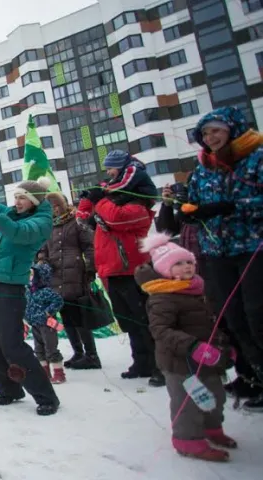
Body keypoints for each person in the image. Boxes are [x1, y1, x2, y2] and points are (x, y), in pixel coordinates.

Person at [0, 179, 60, 416]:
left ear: (35, 200)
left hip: (10, 285)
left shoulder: (41, 222)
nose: (17, 202)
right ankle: (9, 389)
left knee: (11, 344)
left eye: (23, 198)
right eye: (16, 197)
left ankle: (46, 396)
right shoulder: (14, 212)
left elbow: (17, 233)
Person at [186, 106, 263, 411]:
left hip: (253, 248)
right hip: (217, 251)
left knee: (257, 315)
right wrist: (186, 208)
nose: (210, 137)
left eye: (216, 130)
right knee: (232, 319)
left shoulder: (255, 158)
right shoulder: (204, 167)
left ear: (233, 129)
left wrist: (230, 207)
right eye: (205, 133)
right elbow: (194, 201)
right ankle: (251, 375)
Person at [136, 233, 236, 461]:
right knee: (188, 403)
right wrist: (192, 347)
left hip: (208, 358)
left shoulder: (196, 289)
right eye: (178, 263)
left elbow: (210, 321)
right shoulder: (162, 298)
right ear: (164, 270)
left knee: (215, 396)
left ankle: (212, 429)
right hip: (180, 363)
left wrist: (223, 345)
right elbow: (161, 331)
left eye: (189, 261)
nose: (187, 267)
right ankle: (188, 440)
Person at [77, 151, 163, 387]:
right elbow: (86, 218)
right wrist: (89, 199)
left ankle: (160, 365)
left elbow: (116, 218)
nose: (109, 174)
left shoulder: (138, 204)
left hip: (133, 269)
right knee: (129, 321)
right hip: (112, 270)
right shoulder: (110, 201)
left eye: (112, 169)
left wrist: (99, 200)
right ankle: (141, 361)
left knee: (144, 319)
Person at [41, 192, 101, 370]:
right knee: (66, 316)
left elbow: (89, 246)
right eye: (51, 207)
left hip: (75, 274)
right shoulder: (48, 228)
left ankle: (92, 355)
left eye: (57, 205)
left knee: (80, 316)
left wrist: (90, 268)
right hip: (56, 275)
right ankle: (78, 352)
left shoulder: (76, 223)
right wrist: (42, 262)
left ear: (63, 205)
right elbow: (43, 250)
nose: (55, 209)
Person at [25, 263, 65, 384]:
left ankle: (59, 373)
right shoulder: (29, 291)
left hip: (47, 325)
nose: (29, 277)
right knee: (39, 349)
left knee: (50, 348)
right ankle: (44, 373)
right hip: (35, 324)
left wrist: (48, 311)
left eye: (32, 274)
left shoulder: (46, 291)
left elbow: (58, 300)